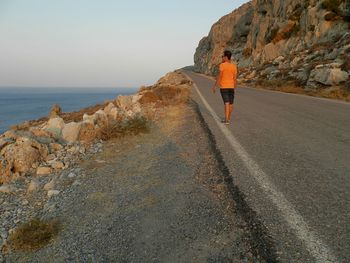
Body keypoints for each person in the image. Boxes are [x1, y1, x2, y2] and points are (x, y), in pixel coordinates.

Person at [211, 50, 238, 124]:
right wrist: (234, 86)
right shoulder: (234, 66)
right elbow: (235, 78)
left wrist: (214, 86)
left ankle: (226, 120)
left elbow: (219, 76)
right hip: (231, 87)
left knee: (226, 103)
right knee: (231, 103)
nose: (222, 58)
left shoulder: (222, 65)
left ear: (226, 57)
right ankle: (228, 118)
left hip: (224, 87)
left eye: (223, 56)